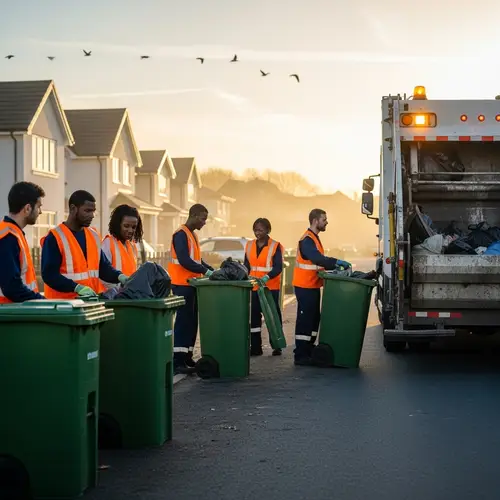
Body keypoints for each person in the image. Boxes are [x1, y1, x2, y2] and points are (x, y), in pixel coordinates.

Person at [41, 190, 129, 299]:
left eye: (93, 211)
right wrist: (76, 287)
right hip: (62, 306)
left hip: (89, 303)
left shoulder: (94, 236)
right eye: (87, 211)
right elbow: (49, 275)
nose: (92, 215)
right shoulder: (55, 237)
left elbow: (103, 268)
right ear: (73, 209)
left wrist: (119, 276)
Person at [292, 208, 351, 366]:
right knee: (305, 320)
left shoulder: (314, 238)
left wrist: (333, 266)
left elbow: (317, 261)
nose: (326, 222)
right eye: (324, 219)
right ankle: (301, 354)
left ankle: (309, 349)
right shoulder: (307, 240)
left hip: (312, 285)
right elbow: (317, 258)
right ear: (315, 221)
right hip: (304, 286)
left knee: (313, 319)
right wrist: (336, 262)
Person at [168, 204, 214, 374]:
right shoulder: (180, 234)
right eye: (203, 218)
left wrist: (212, 271)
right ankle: (178, 361)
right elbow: (184, 260)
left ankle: (187, 356)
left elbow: (197, 260)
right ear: (193, 215)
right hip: (182, 284)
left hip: (192, 284)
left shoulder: (191, 235)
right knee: (183, 321)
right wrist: (205, 271)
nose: (204, 222)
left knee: (192, 321)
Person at [244, 217, 284, 356]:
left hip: (269, 288)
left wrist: (267, 277)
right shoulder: (249, 245)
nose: (257, 232)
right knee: (254, 318)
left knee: (272, 317)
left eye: (260, 229)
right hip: (254, 287)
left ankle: (277, 345)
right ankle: (256, 347)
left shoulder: (275, 246)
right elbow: (246, 266)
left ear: (268, 230)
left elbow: (278, 267)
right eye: (255, 230)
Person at [0, 182, 45, 303]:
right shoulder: (8, 237)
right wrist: (42, 301)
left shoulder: (11, 233)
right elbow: (12, 287)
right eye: (39, 206)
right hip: (9, 315)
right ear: (27, 209)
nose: (40, 212)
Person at [101, 204, 142, 287]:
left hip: (128, 295)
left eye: (133, 227)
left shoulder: (132, 246)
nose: (130, 230)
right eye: (126, 226)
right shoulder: (108, 243)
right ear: (117, 224)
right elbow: (102, 274)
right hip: (112, 296)